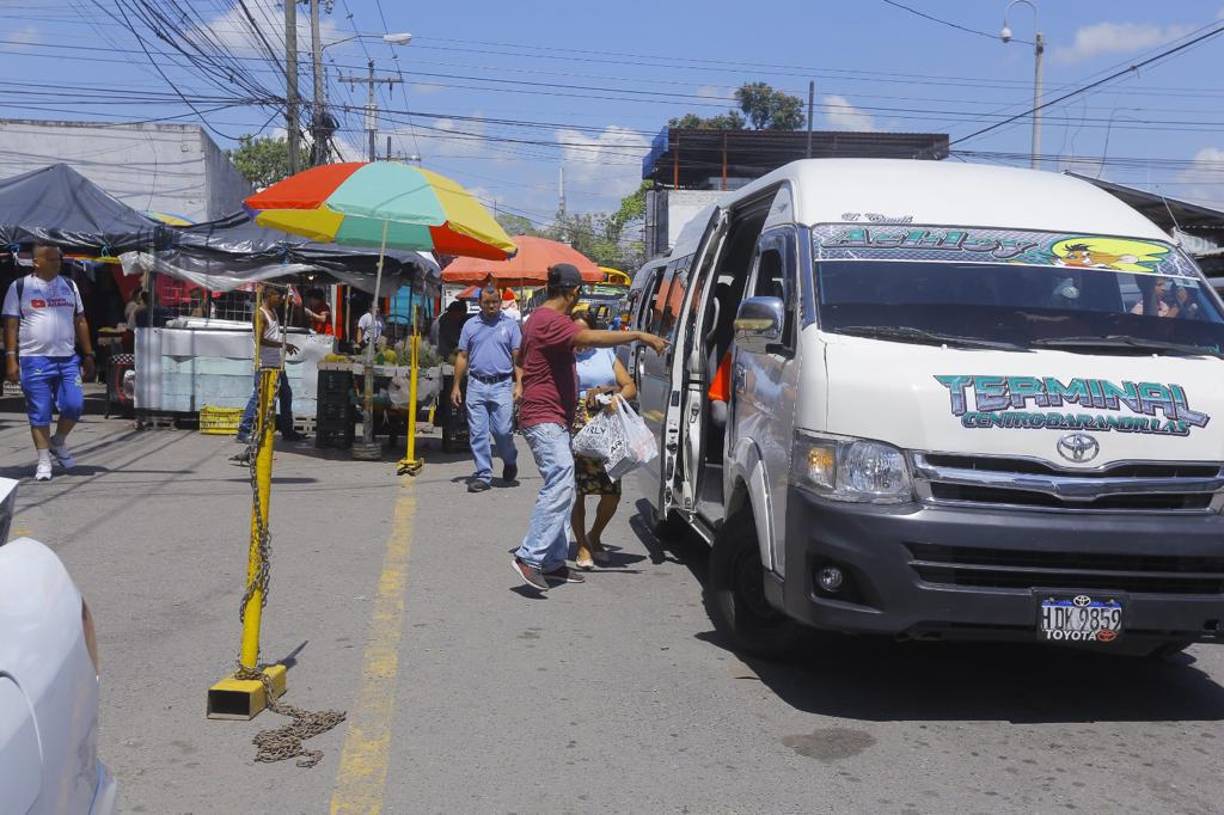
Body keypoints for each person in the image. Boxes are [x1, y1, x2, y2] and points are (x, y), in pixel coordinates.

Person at [510, 263, 668, 591]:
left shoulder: (539, 319)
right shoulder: (549, 320)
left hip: (553, 417)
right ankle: (530, 556)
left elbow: (525, 359)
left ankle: (553, 561)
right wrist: (638, 334)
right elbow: (589, 336)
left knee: (566, 488)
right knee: (560, 485)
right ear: (573, 292)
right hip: (544, 417)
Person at [2, 244, 96, 481]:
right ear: (37, 262)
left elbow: (81, 320)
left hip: (67, 359)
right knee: (40, 412)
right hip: (34, 359)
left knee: (74, 404)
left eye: (59, 259)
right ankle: (44, 460)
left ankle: (58, 441)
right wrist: (11, 358)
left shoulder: (70, 285)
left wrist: (89, 354)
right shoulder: (20, 287)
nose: (58, 263)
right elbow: (11, 324)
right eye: (52, 259)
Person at [569, 312, 637, 569]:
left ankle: (594, 535)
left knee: (611, 491)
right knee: (578, 490)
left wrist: (613, 394)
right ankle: (582, 545)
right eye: (575, 333)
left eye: (585, 333)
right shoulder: (564, 357)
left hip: (607, 427)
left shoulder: (606, 354)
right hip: (575, 425)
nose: (580, 339)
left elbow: (629, 386)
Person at [451, 286, 522, 493]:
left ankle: (509, 460)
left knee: (502, 431)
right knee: (478, 433)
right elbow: (462, 356)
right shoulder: (470, 325)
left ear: (500, 302)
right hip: (476, 385)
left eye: (495, 302)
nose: (491, 306)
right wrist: (456, 386)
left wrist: (520, 383)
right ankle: (483, 474)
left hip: (502, 385)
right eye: (487, 302)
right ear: (479, 303)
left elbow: (518, 358)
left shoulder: (510, 326)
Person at [236, 286, 303, 445]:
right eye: (279, 297)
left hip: (277, 364)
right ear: (271, 295)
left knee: (286, 396)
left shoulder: (274, 313)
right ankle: (243, 430)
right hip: (264, 364)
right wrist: (283, 345)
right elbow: (260, 340)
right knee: (259, 397)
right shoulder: (260, 314)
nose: (281, 300)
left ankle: (287, 430)